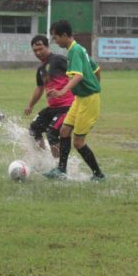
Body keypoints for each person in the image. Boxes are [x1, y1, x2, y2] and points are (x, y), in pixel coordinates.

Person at [44, 20, 105, 181]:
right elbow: (96, 69)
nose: (55, 41)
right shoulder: (79, 49)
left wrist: (63, 91)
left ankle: (98, 175)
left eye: (56, 38)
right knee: (64, 131)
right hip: (81, 98)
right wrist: (94, 85)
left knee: (78, 142)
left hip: (89, 100)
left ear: (64, 35)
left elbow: (78, 75)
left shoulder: (74, 51)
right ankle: (61, 170)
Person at [24, 35, 75, 157]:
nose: (38, 52)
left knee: (51, 132)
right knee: (33, 130)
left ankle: (59, 165)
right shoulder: (41, 69)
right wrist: (30, 105)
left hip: (67, 106)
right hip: (52, 108)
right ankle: (44, 159)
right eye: (35, 50)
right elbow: (40, 88)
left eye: (40, 48)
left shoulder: (58, 59)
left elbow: (76, 73)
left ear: (47, 46)